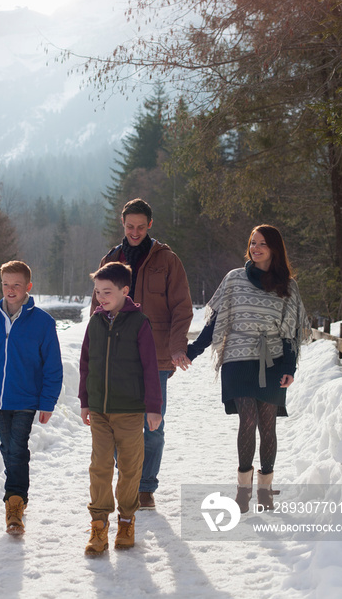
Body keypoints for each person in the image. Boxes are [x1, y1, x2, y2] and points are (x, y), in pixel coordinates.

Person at [186, 225, 310, 512]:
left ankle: (264, 491)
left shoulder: (288, 286)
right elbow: (215, 322)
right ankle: (243, 490)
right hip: (237, 360)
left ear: (274, 249)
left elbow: (291, 332)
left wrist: (290, 366)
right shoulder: (234, 279)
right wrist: (194, 350)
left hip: (273, 361)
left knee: (268, 425)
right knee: (248, 420)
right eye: (253, 242)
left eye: (262, 244)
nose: (256, 248)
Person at [91, 198, 193, 510]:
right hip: (117, 357)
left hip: (157, 355)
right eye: (129, 226)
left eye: (140, 226)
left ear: (149, 225)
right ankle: (129, 481)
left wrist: (177, 346)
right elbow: (97, 305)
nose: (134, 232)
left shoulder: (167, 259)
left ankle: (146, 487)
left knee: (153, 426)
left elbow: (182, 306)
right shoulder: (112, 258)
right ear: (122, 225)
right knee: (122, 423)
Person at [0, 260, 63, 535]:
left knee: (16, 447)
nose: (10, 290)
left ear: (28, 287)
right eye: (5, 284)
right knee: (8, 448)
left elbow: (52, 366)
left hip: (27, 399)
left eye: (16, 285)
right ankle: (17, 495)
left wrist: (47, 402)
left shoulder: (43, 322)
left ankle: (14, 504)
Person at [79, 262, 162, 554]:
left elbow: (150, 368)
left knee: (130, 467)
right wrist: (85, 401)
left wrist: (153, 407)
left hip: (129, 410)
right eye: (98, 291)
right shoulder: (95, 323)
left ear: (124, 291)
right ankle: (99, 525)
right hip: (100, 410)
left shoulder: (139, 323)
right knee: (99, 466)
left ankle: (126, 519)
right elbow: (86, 365)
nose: (101, 297)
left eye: (107, 291)